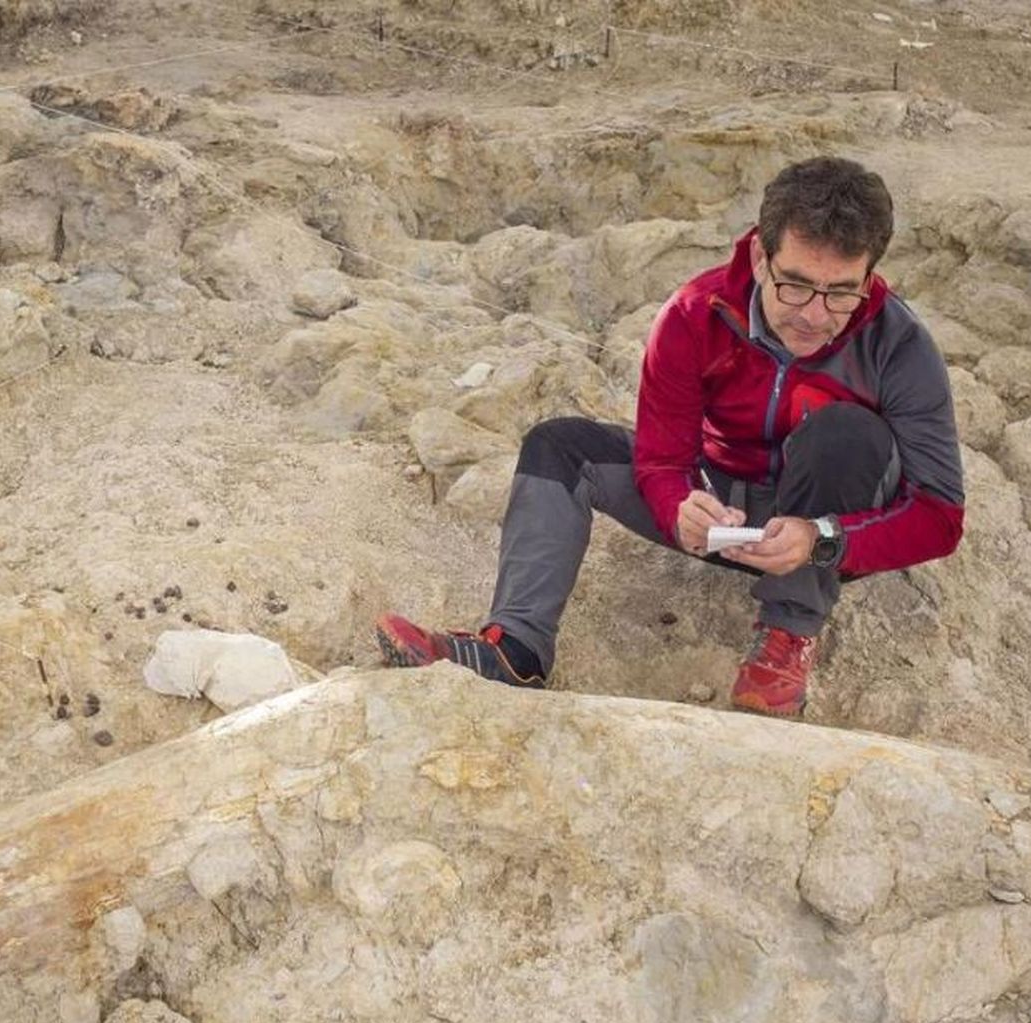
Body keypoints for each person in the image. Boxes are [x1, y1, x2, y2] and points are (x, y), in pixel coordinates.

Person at [375, 156, 965, 717]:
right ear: (759, 257)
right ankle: (517, 650)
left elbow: (941, 515)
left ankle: (788, 635)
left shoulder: (900, 344)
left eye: (841, 292)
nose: (814, 314)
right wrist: (677, 505)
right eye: (795, 285)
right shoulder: (694, 313)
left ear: (870, 275)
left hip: (825, 528)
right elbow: (661, 460)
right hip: (722, 507)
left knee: (845, 434)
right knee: (560, 445)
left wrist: (822, 538)